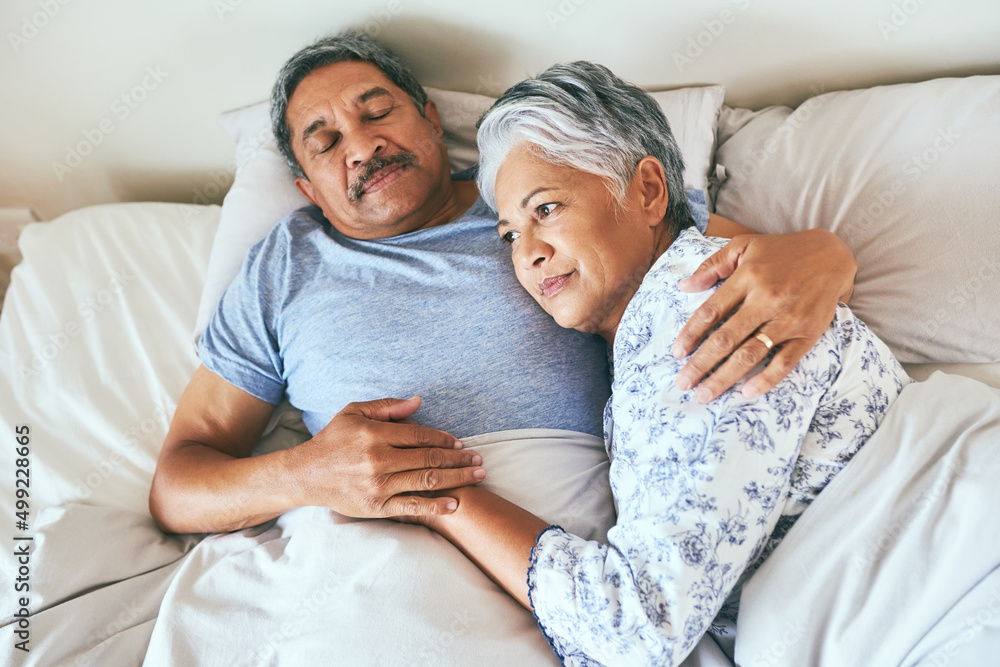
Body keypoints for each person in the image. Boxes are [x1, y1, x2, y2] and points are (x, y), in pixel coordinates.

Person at [148, 31, 858, 535]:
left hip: (559, 540)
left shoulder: (536, 196)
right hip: (360, 550)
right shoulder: (284, 263)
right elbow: (178, 485)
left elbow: (750, 263)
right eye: (326, 140)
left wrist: (830, 255)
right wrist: (306, 475)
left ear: (430, 118)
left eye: (377, 111)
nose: (362, 146)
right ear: (305, 185)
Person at [407, 61, 909, 665]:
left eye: (545, 209)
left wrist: (441, 497)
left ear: (647, 191)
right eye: (509, 234)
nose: (530, 254)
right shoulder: (662, 320)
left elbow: (635, 632)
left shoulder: (698, 312)